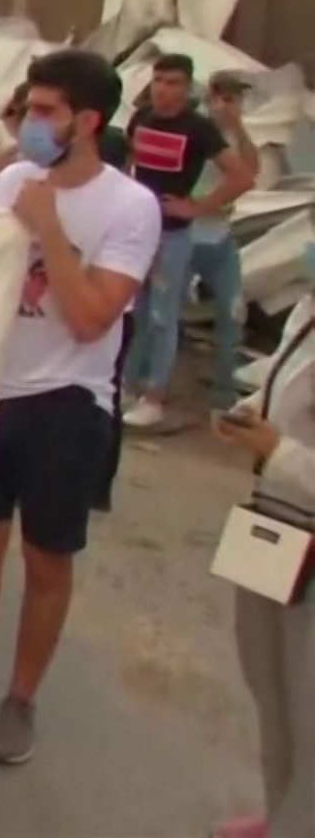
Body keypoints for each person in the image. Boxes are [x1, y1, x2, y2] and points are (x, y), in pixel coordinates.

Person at [0, 49, 161, 767]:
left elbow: (92, 317)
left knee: (46, 558)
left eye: (47, 111)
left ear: (87, 121)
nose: (31, 122)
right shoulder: (13, 181)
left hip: (66, 402)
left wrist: (48, 230)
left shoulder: (130, 206)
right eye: (29, 108)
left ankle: (21, 698)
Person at [208, 268, 315, 838]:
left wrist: (278, 451)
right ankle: (281, 815)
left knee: (310, 710)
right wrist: (251, 414)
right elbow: (282, 389)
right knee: (272, 694)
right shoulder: (305, 311)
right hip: (274, 526)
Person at [121, 53, 255, 429]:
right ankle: (129, 386)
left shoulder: (198, 129)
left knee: (165, 315)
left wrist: (196, 207)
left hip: (174, 234)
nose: (164, 90)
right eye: (159, 80)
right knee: (137, 311)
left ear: (187, 87)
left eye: (173, 83)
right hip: (138, 228)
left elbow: (242, 176)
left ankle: (155, 395)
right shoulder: (141, 118)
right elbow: (130, 162)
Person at [188, 71, 261, 411]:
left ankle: (224, 390)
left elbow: (252, 168)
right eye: (226, 98)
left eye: (236, 99)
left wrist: (239, 128)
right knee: (161, 312)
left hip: (219, 235)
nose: (231, 105)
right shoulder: (198, 130)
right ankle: (142, 383)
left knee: (231, 311)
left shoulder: (236, 136)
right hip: (187, 232)